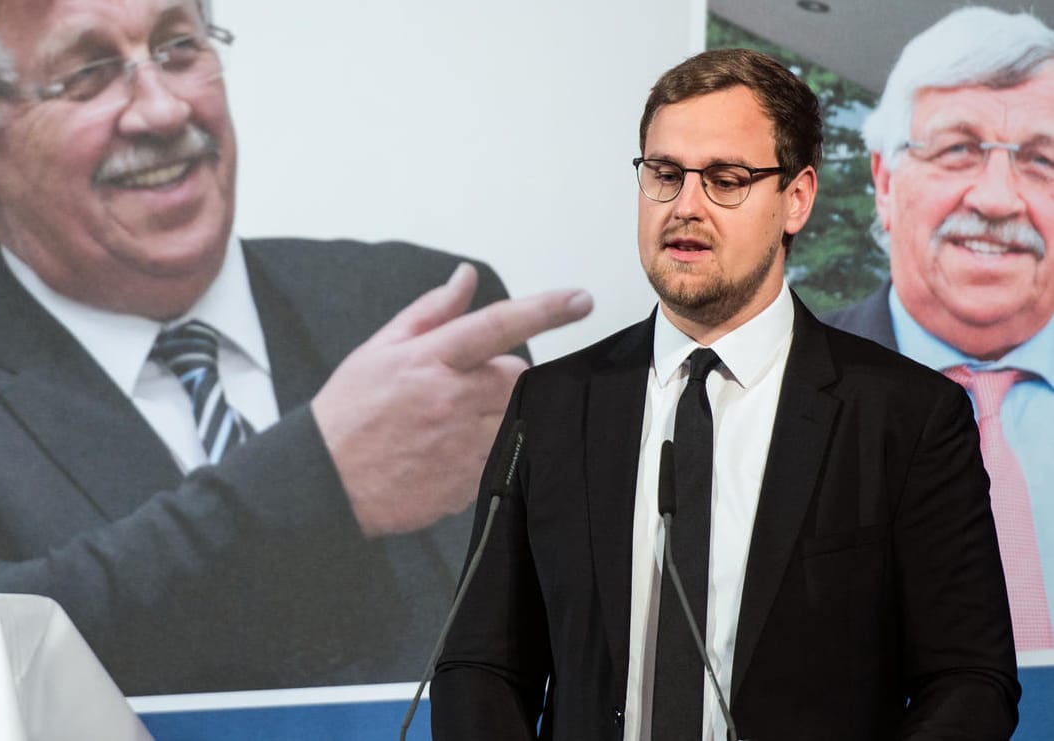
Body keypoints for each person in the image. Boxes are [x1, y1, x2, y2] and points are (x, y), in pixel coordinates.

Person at [0, 0, 592, 696]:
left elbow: (562, 635)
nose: (163, 111)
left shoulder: (427, 310)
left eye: (179, 49)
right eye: (89, 73)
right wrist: (321, 479)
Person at [431, 48, 1019, 741]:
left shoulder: (904, 416)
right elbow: (480, 664)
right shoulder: (554, 403)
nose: (685, 206)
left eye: (725, 179)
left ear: (795, 199)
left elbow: (969, 681)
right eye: (664, 174)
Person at [824, 6, 1054, 651]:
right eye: (958, 150)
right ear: (885, 181)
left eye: (1042, 161)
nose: (998, 199)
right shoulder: (774, 383)